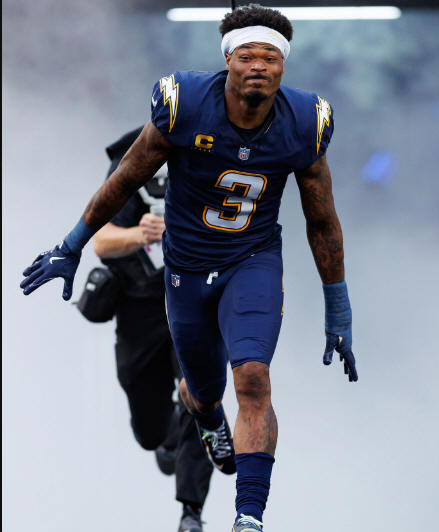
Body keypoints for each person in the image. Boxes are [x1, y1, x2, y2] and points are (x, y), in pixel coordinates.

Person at [21, 4, 359, 531]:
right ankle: (205, 416)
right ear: (227, 61)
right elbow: (124, 180)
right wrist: (72, 244)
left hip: (251, 260)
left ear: (283, 66)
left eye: (270, 57)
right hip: (185, 268)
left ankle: (248, 515)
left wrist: (337, 303)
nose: (259, 66)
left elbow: (321, 218)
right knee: (202, 394)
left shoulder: (303, 123)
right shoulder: (184, 108)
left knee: (253, 378)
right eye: (247, 55)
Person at [90, 127, 214, 532]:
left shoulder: (218, 154)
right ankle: (168, 436)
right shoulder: (131, 159)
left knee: (199, 390)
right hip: (139, 309)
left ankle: (191, 511)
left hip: (192, 301)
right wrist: (139, 234)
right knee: (148, 431)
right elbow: (101, 240)